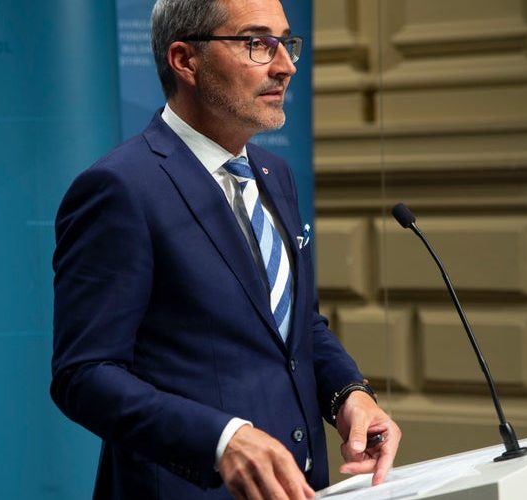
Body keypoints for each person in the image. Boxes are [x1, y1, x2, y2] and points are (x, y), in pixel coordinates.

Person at [50, 0, 401, 498]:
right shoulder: (121, 188)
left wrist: (350, 395)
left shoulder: (275, 175)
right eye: (257, 43)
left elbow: (296, 328)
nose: (286, 65)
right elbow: (84, 376)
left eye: (287, 42)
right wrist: (220, 440)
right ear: (185, 60)